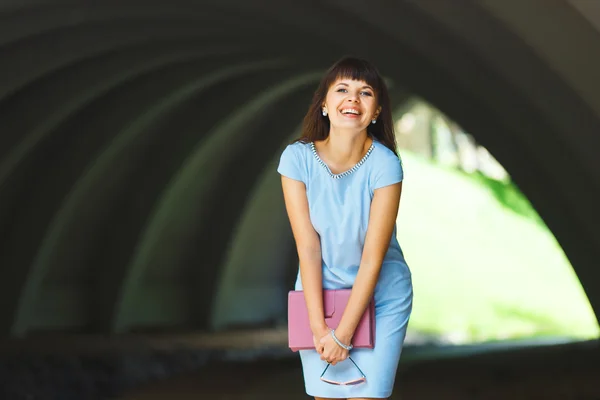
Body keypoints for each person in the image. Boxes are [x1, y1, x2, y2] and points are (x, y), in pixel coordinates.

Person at [277, 56, 413, 400]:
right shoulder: (296, 160)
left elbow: (372, 257)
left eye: (365, 92)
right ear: (324, 104)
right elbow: (307, 247)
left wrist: (343, 334)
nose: (353, 99)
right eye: (342, 89)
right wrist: (320, 327)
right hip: (319, 297)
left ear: (377, 110)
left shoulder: (386, 165)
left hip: (381, 297)